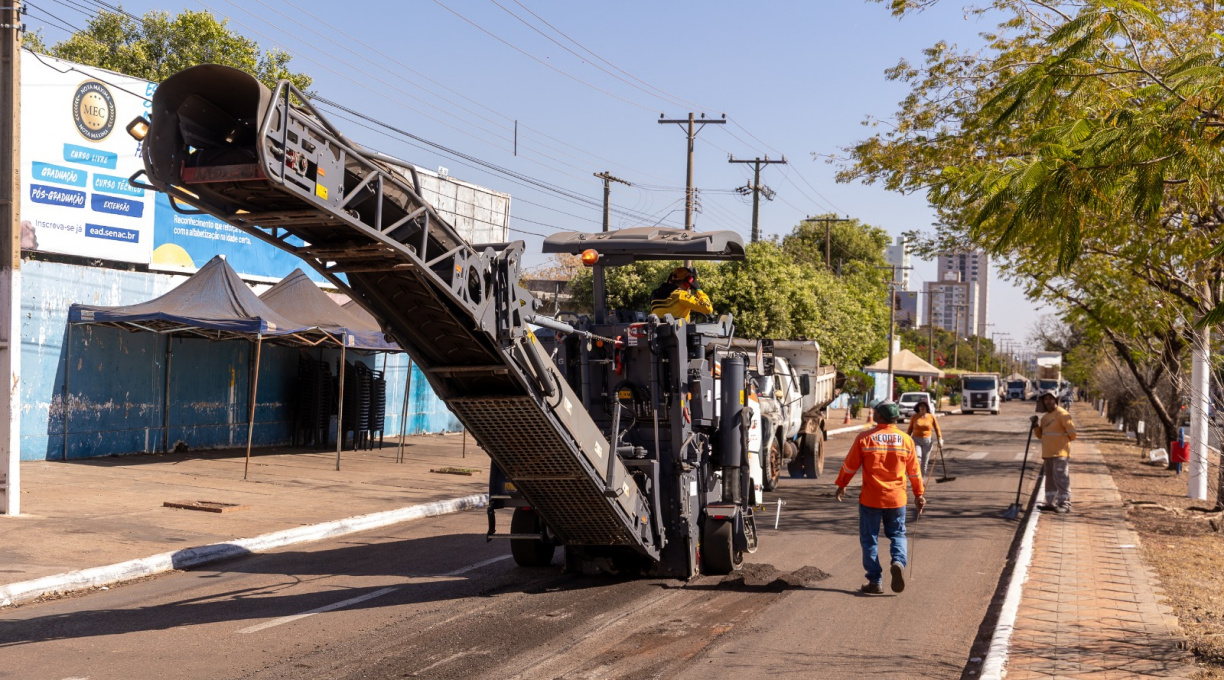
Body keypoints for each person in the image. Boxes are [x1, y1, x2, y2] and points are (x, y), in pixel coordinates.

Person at [835, 401, 927, 594]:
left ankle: (875, 581)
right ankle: (898, 562)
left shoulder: (865, 438)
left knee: (869, 539)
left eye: (876, 411)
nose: (873, 413)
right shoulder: (906, 440)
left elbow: (850, 466)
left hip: (871, 498)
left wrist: (842, 484)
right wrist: (919, 494)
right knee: (898, 534)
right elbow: (914, 473)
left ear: (881, 416)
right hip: (897, 499)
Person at [1032, 389, 1077, 513]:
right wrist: (1035, 425)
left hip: (1060, 453)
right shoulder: (1045, 418)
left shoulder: (1062, 414)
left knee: (1061, 478)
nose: (1048, 401)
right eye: (1045, 399)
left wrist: (1061, 443)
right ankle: (1050, 503)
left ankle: (1065, 504)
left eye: (1050, 398)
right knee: (1050, 479)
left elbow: (1072, 434)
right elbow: (1041, 435)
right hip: (1047, 453)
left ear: (1055, 399)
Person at [649, 266, 713, 322]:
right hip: (677, 334)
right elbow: (708, 308)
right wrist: (699, 290)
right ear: (688, 282)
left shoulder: (654, 294)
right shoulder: (681, 295)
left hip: (656, 334)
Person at [906, 400, 944, 477]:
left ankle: (921, 479)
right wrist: (906, 439)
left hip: (927, 441)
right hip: (916, 440)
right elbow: (910, 429)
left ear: (927, 408)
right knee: (918, 458)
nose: (922, 407)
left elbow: (937, 428)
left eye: (924, 406)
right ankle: (916, 476)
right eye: (921, 406)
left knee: (924, 462)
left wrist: (940, 439)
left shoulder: (931, 417)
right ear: (918, 407)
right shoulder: (914, 417)